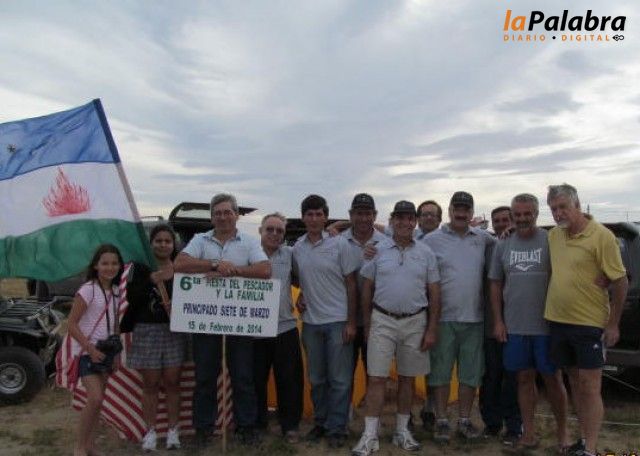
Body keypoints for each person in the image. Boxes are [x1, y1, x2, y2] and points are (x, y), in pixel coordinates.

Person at [174, 192, 271, 447]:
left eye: (228, 212)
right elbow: (180, 264)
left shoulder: (249, 242)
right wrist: (215, 264)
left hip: (239, 323)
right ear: (212, 217)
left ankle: (246, 427)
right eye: (218, 213)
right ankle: (203, 429)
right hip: (206, 323)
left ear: (236, 215)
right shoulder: (200, 239)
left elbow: (264, 270)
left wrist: (232, 270)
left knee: (243, 377)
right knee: (205, 378)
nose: (223, 217)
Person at [544, 184, 628, 456]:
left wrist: (613, 323)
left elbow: (620, 281)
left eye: (563, 207)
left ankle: (590, 449)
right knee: (575, 383)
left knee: (590, 387)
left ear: (577, 205)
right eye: (553, 209)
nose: (558, 213)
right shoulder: (554, 235)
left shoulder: (602, 236)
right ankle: (582, 440)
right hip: (558, 321)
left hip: (589, 324)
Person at [352, 201, 441, 455]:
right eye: (399, 218)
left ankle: (402, 431)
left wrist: (431, 329)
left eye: (409, 218)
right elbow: (367, 287)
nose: (404, 222)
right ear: (392, 221)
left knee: (407, 378)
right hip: (382, 319)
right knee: (376, 378)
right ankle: (370, 435)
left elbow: (435, 292)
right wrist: (368, 324)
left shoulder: (426, 252)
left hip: (415, 321)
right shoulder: (377, 250)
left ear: (415, 221)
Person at [489, 194, 569, 451]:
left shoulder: (550, 240)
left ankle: (563, 435)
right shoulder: (503, 244)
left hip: (547, 325)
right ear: (512, 216)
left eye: (528, 214)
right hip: (515, 326)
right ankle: (529, 434)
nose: (523, 219)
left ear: (536, 214)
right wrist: (498, 321)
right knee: (523, 379)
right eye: (518, 215)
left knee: (553, 380)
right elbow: (495, 284)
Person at [421, 191, 495, 443]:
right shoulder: (431, 240)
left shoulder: (483, 238)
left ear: (472, 212)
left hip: (474, 319)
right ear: (450, 210)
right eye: (457, 209)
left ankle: (464, 420)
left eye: (466, 209)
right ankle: (442, 420)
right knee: (440, 373)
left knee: (470, 375)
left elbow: (505, 244)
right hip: (442, 319)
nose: (461, 213)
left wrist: (507, 232)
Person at [292, 194, 359, 448]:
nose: (314, 219)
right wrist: (301, 296)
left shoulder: (340, 245)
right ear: (303, 218)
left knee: (339, 379)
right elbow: (300, 279)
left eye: (318, 214)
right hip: (311, 323)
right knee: (317, 378)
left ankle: (337, 427)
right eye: (309, 214)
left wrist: (351, 322)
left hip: (338, 321)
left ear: (326, 217)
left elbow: (351, 284)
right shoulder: (297, 248)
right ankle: (321, 422)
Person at [121, 224, 186, 451]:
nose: (163, 245)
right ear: (151, 244)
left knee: (173, 382)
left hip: (174, 330)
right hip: (147, 329)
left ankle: (173, 430)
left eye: (167, 241)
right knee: (150, 383)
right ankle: (150, 431)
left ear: (174, 244)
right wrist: (151, 279)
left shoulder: (181, 266)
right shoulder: (139, 267)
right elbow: (131, 297)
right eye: (158, 241)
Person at [67, 244, 124, 456]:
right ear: (96, 266)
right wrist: (90, 349)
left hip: (106, 351)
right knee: (95, 398)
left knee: (99, 403)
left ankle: (90, 445)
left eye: (114, 263)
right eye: (105, 263)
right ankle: (79, 447)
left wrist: (116, 354)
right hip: (87, 352)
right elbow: (71, 324)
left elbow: (115, 325)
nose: (110, 267)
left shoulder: (117, 291)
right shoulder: (88, 290)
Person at [253, 213, 304, 442]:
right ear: (260, 231)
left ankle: (290, 425)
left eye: (279, 231)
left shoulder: (290, 254)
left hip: (285, 327)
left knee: (289, 380)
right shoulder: (248, 253)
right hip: (254, 329)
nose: (274, 234)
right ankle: (257, 423)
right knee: (255, 380)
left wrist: (304, 292)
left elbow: (306, 278)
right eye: (270, 229)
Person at [479, 205, 522, 444]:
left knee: (514, 378)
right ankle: (492, 423)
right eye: (497, 221)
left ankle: (514, 426)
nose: (501, 224)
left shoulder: (526, 244)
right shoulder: (488, 246)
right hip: (491, 324)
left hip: (517, 324)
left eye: (506, 219)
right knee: (491, 376)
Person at [341, 194, 387, 379]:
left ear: (375, 215)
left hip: (377, 322)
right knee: (344, 377)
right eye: (359, 213)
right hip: (345, 321)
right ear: (351, 215)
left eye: (368, 214)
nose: (363, 218)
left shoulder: (387, 243)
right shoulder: (337, 242)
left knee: (375, 376)